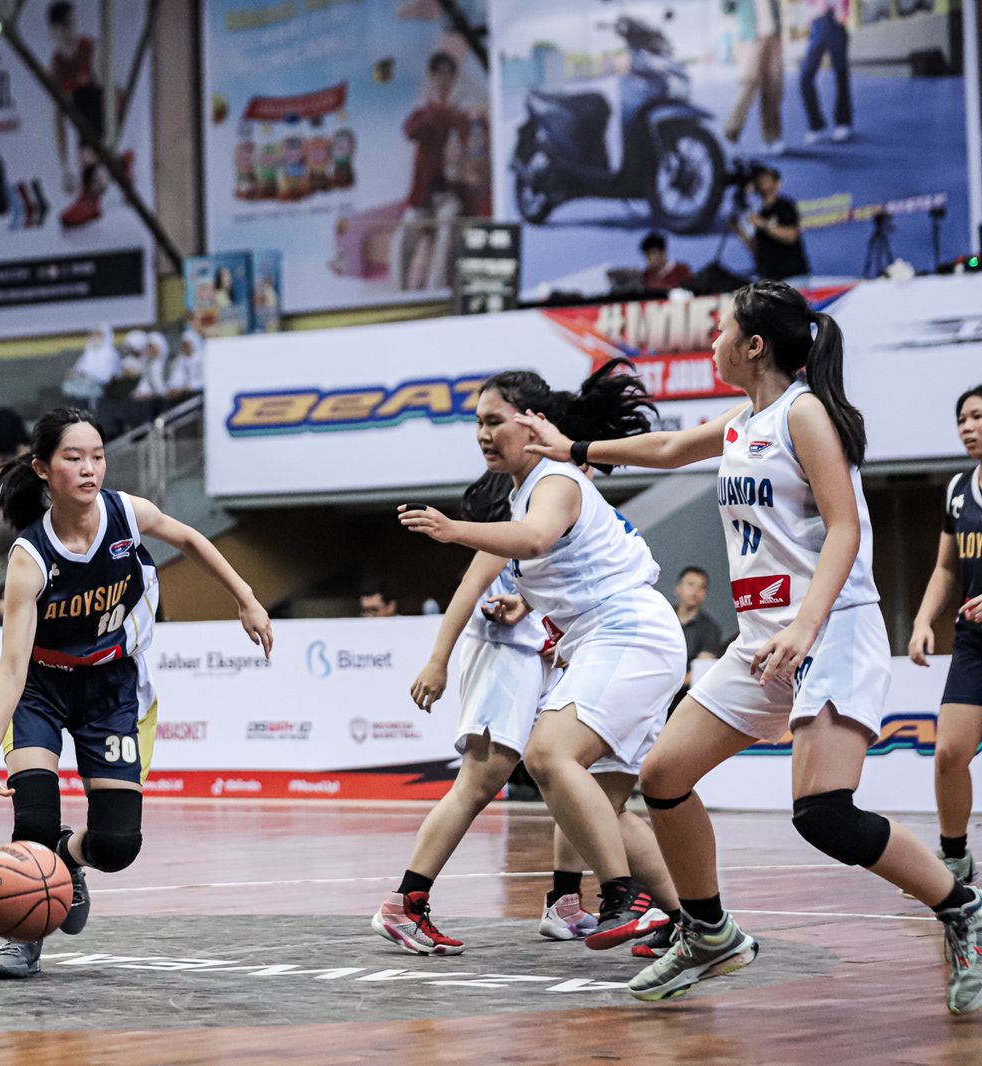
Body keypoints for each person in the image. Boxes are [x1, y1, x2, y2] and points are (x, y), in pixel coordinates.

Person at [517, 281, 982, 1012]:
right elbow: (670, 448)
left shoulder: (805, 415)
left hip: (829, 628)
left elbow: (845, 529)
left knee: (824, 812)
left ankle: (961, 907)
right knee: (664, 775)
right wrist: (575, 447)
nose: (712, 343)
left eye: (721, 331)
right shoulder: (747, 419)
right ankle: (708, 932)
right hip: (765, 639)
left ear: (754, 345)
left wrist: (805, 625)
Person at [0, 408, 273, 979]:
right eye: (73, 458)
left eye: (97, 456)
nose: (89, 469)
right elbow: (10, 668)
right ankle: (22, 939)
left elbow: (190, 537)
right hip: (42, 688)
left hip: (111, 686)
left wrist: (245, 597)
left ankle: (65, 861)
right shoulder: (30, 559)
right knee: (32, 818)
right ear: (43, 470)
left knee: (116, 844)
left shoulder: (126, 515)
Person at [399, 360, 684, 950]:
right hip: (614, 637)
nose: (482, 433)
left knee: (548, 756)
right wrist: (524, 607)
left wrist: (453, 530)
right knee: (603, 801)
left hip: (627, 633)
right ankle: (696, 923)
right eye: (477, 422)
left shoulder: (555, 481)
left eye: (494, 421)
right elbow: (567, 562)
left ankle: (621, 898)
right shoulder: (531, 492)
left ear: (533, 424)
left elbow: (534, 541)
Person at [908, 384, 982, 888]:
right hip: (974, 643)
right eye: (962, 420)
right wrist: (921, 620)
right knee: (949, 752)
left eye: (978, 416)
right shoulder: (958, 489)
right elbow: (945, 567)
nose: (968, 427)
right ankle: (954, 855)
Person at [395, 51, 472, 292]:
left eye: (447, 73)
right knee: (403, 238)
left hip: (449, 195)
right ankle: (402, 295)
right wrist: (438, 109)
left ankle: (435, 291)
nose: (442, 78)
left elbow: (466, 131)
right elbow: (411, 130)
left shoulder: (462, 112)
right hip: (422, 196)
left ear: (454, 77)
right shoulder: (425, 112)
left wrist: (445, 112)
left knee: (447, 230)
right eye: (437, 73)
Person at [47, 1, 119, 229]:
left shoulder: (91, 52)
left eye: (74, 24)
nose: (72, 32)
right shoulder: (56, 64)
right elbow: (57, 118)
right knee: (74, 106)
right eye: (67, 26)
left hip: (108, 116)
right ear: (54, 31)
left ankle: (106, 168)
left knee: (88, 99)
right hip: (86, 127)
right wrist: (64, 167)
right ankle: (88, 183)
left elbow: (111, 102)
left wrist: (108, 153)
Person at [724, 0, 784, 156]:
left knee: (773, 88)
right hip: (751, 38)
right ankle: (730, 135)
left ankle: (771, 137)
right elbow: (726, 7)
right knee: (748, 86)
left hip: (773, 36)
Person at [733, 164, 808, 281]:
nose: (762, 182)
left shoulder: (785, 206)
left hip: (792, 277)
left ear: (777, 183)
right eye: (760, 180)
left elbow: (792, 236)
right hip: (768, 278)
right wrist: (740, 233)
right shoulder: (760, 212)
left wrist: (763, 224)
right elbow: (757, 250)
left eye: (766, 179)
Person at [800, 0, 852, 145]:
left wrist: (843, 10)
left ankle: (843, 122)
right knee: (805, 77)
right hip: (817, 23)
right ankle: (816, 125)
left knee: (840, 72)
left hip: (834, 21)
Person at [673, 566, 725, 688]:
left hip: (682, 694)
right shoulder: (662, 618)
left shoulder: (710, 629)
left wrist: (669, 687)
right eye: (690, 584)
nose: (695, 591)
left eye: (702, 587)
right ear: (678, 589)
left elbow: (701, 670)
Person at [64, 325, 122, 408]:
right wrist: (73, 373)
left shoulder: (111, 354)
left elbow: (106, 376)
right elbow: (79, 367)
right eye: (94, 334)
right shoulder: (90, 352)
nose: (95, 337)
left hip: (101, 386)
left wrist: (90, 377)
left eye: (98, 334)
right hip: (85, 382)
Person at [165, 328, 205, 406]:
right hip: (184, 393)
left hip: (198, 394)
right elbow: (177, 377)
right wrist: (172, 387)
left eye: (187, 344)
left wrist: (187, 388)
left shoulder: (203, 358)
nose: (185, 347)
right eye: (183, 344)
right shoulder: (181, 359)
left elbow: (203, 380)